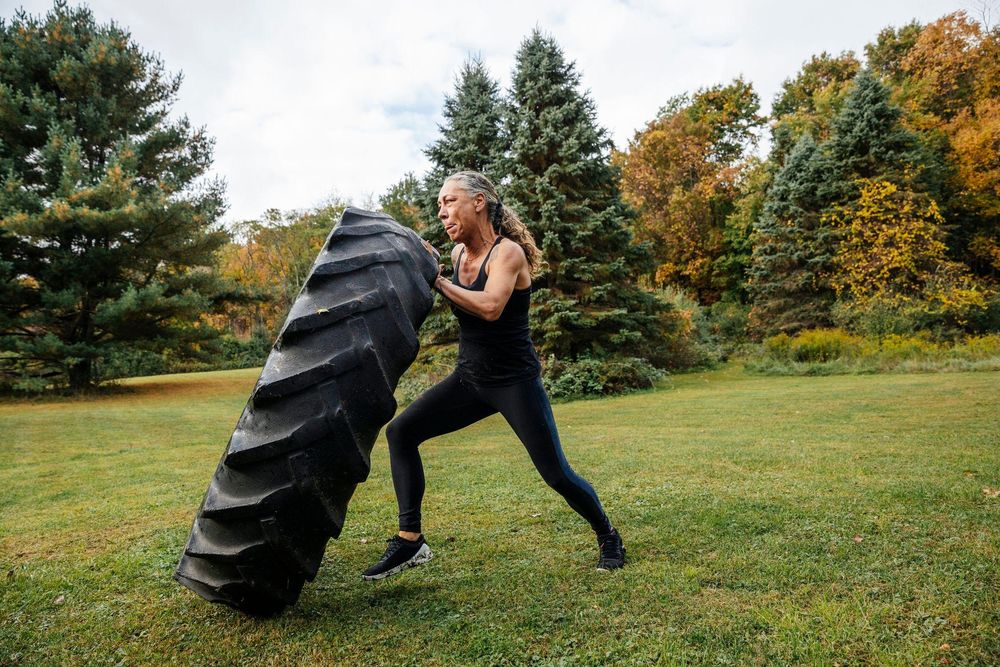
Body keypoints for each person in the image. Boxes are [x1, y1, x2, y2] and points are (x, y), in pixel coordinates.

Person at [362, 170, 625, 581]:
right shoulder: (456, 256)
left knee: (556, 473)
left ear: (479, 202)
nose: (442, 212)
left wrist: (438, 281)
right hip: (469, 381)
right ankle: (411, 539)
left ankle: (608, 535)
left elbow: (489, 307)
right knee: (401, 432)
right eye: (439, 205)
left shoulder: (507, 255)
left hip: (514, 383)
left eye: (449, 201)